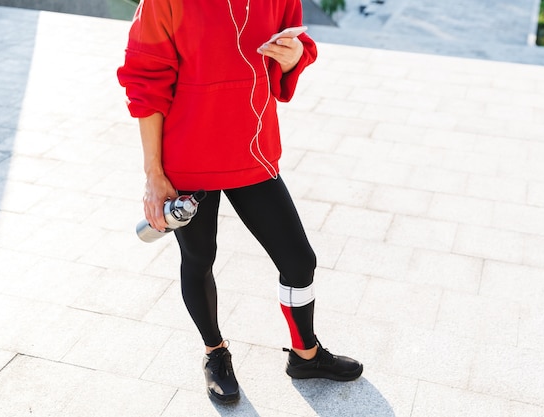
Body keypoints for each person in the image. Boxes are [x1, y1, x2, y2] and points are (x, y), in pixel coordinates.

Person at [117, 0, 363, 404]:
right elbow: (145, 80)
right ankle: (215, 353)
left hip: (252, 151)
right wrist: (154, 175)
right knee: (199, 260)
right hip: (189, 157)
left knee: (299, 261)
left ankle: (306, 355)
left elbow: (291, 49)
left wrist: (294, 57)